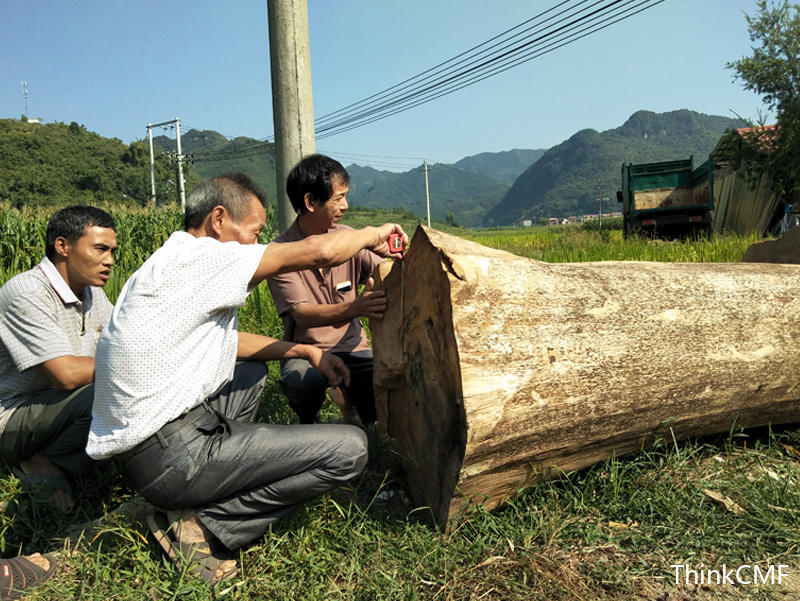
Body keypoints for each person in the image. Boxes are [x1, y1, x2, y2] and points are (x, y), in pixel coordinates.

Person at [87, 172, 406, 584]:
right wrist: (374, 233)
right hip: (173, 457)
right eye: (254, 232)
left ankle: (215, 477)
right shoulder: (201, 258)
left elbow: (228, 341)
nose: (257, 244)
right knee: (349, 449)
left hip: (151, 450)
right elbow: (321, 251)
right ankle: (204, 524)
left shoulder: (170, 261)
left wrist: (305, 350)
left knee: (252, 370)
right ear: (218, 220)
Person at [0, 205, 116, 512]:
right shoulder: (27, 292)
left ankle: (57, 456)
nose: (110, 261)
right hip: (12, 415)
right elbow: (65, 374)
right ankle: (42, 462)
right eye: (100, 249)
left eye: (113, 251)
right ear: (62, 246)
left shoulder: (92, 294)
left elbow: (122, 343)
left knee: (120, 391)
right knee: (109, 392)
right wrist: (135, 367)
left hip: (59, 406)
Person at [267, 155, 387, 426]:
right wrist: (356, 308)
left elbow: (383, 270)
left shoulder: (349, 237)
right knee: (302, 382)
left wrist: (378, 279)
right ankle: (310, 424)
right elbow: (303, 314)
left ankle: (353, 408)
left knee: (379, 409)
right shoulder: (280, 253)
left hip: (354, 347)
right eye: (338, 198)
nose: (345, 205)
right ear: (310, 202)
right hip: (307, 350)